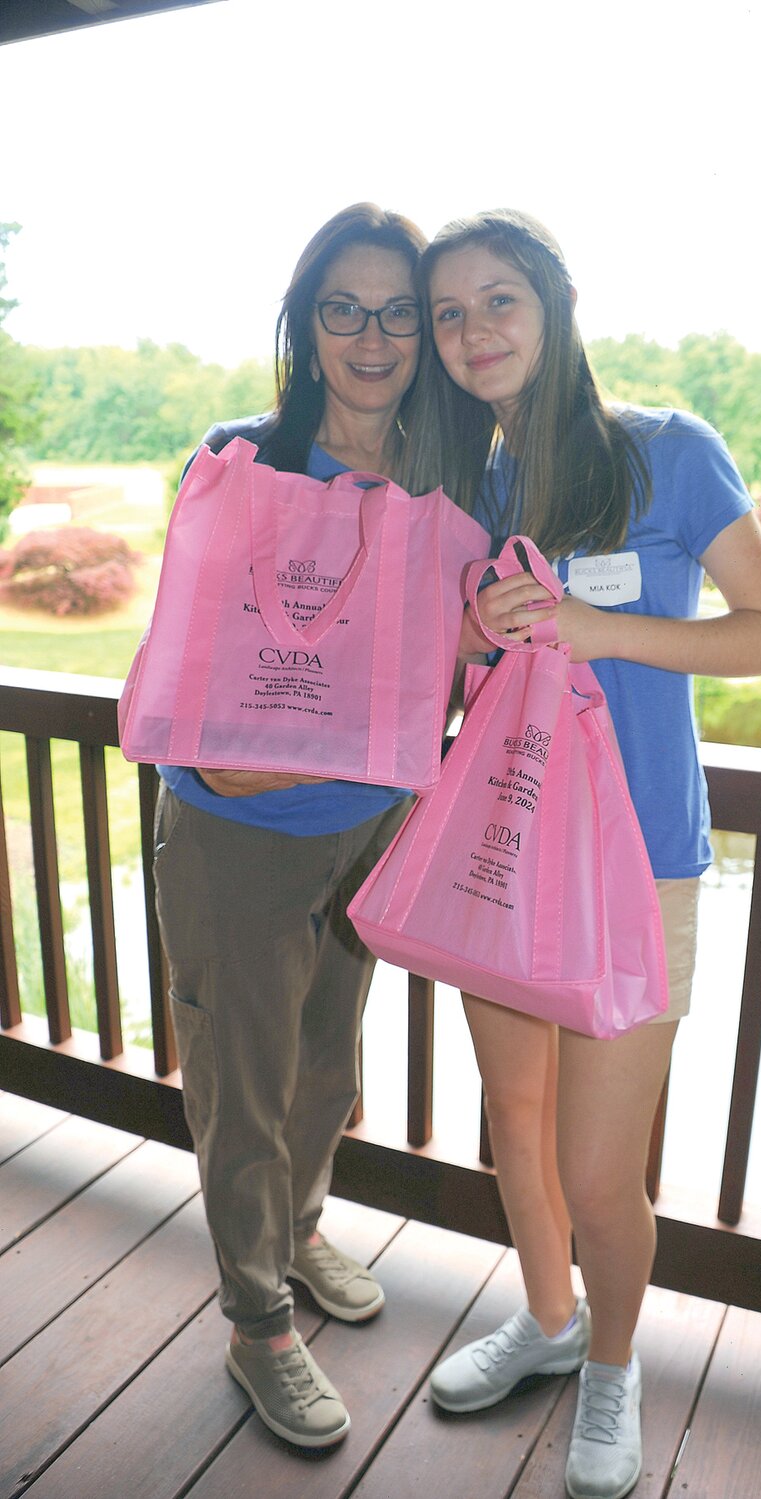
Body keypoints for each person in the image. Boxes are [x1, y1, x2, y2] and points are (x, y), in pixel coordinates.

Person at [406, 209, 761, 1499]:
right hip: (509, 844)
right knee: (513, 1123)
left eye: (498, 301)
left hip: (640, 859)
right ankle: (547, 1316)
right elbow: (442, 667)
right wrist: (473, 626)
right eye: (450, 313)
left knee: (595, 1163)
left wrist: (601, 628)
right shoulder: (468, 480)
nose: (474, 332)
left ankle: (613, 1364)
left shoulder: (668, 450)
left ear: (555, 306)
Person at [153, 203, 428, 1449]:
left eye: (397, 311)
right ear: (305, 324)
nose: (370, 336)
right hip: (236, 832)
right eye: (343, 308)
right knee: (243, 1080)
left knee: (326, 1059)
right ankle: (257, 1317)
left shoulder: (433, 479)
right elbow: (188, 655)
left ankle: (302, 1229)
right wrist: (221, 756)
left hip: (367, 825)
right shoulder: (241, 461)